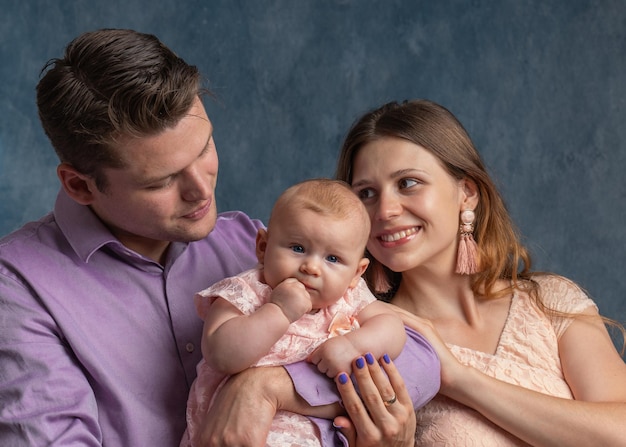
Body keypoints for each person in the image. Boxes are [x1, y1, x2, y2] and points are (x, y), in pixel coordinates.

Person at [0, 29, 440, 446]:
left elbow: (420, 358)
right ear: (79, 186)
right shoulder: (19, 287)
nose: (201, 189)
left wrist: (267, 388)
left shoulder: (251, 238)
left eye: (204, 148)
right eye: (161, 181)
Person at [335, 99, 626, 446]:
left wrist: (458, 379)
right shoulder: (363, 336)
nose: (384, 210)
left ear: (467, 193)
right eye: (366, 193)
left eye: (408, 183)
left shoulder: (549, 302)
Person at [182, 178, 407, 447]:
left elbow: (394, 328)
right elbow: (221, 354)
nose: (312, 267)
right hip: (239, 433)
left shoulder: (349, 296)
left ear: (356, 273)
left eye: (332, 259)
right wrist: (278, 311)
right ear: (263, 248)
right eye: (298, 248)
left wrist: (353, 345)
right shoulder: (248, 291)